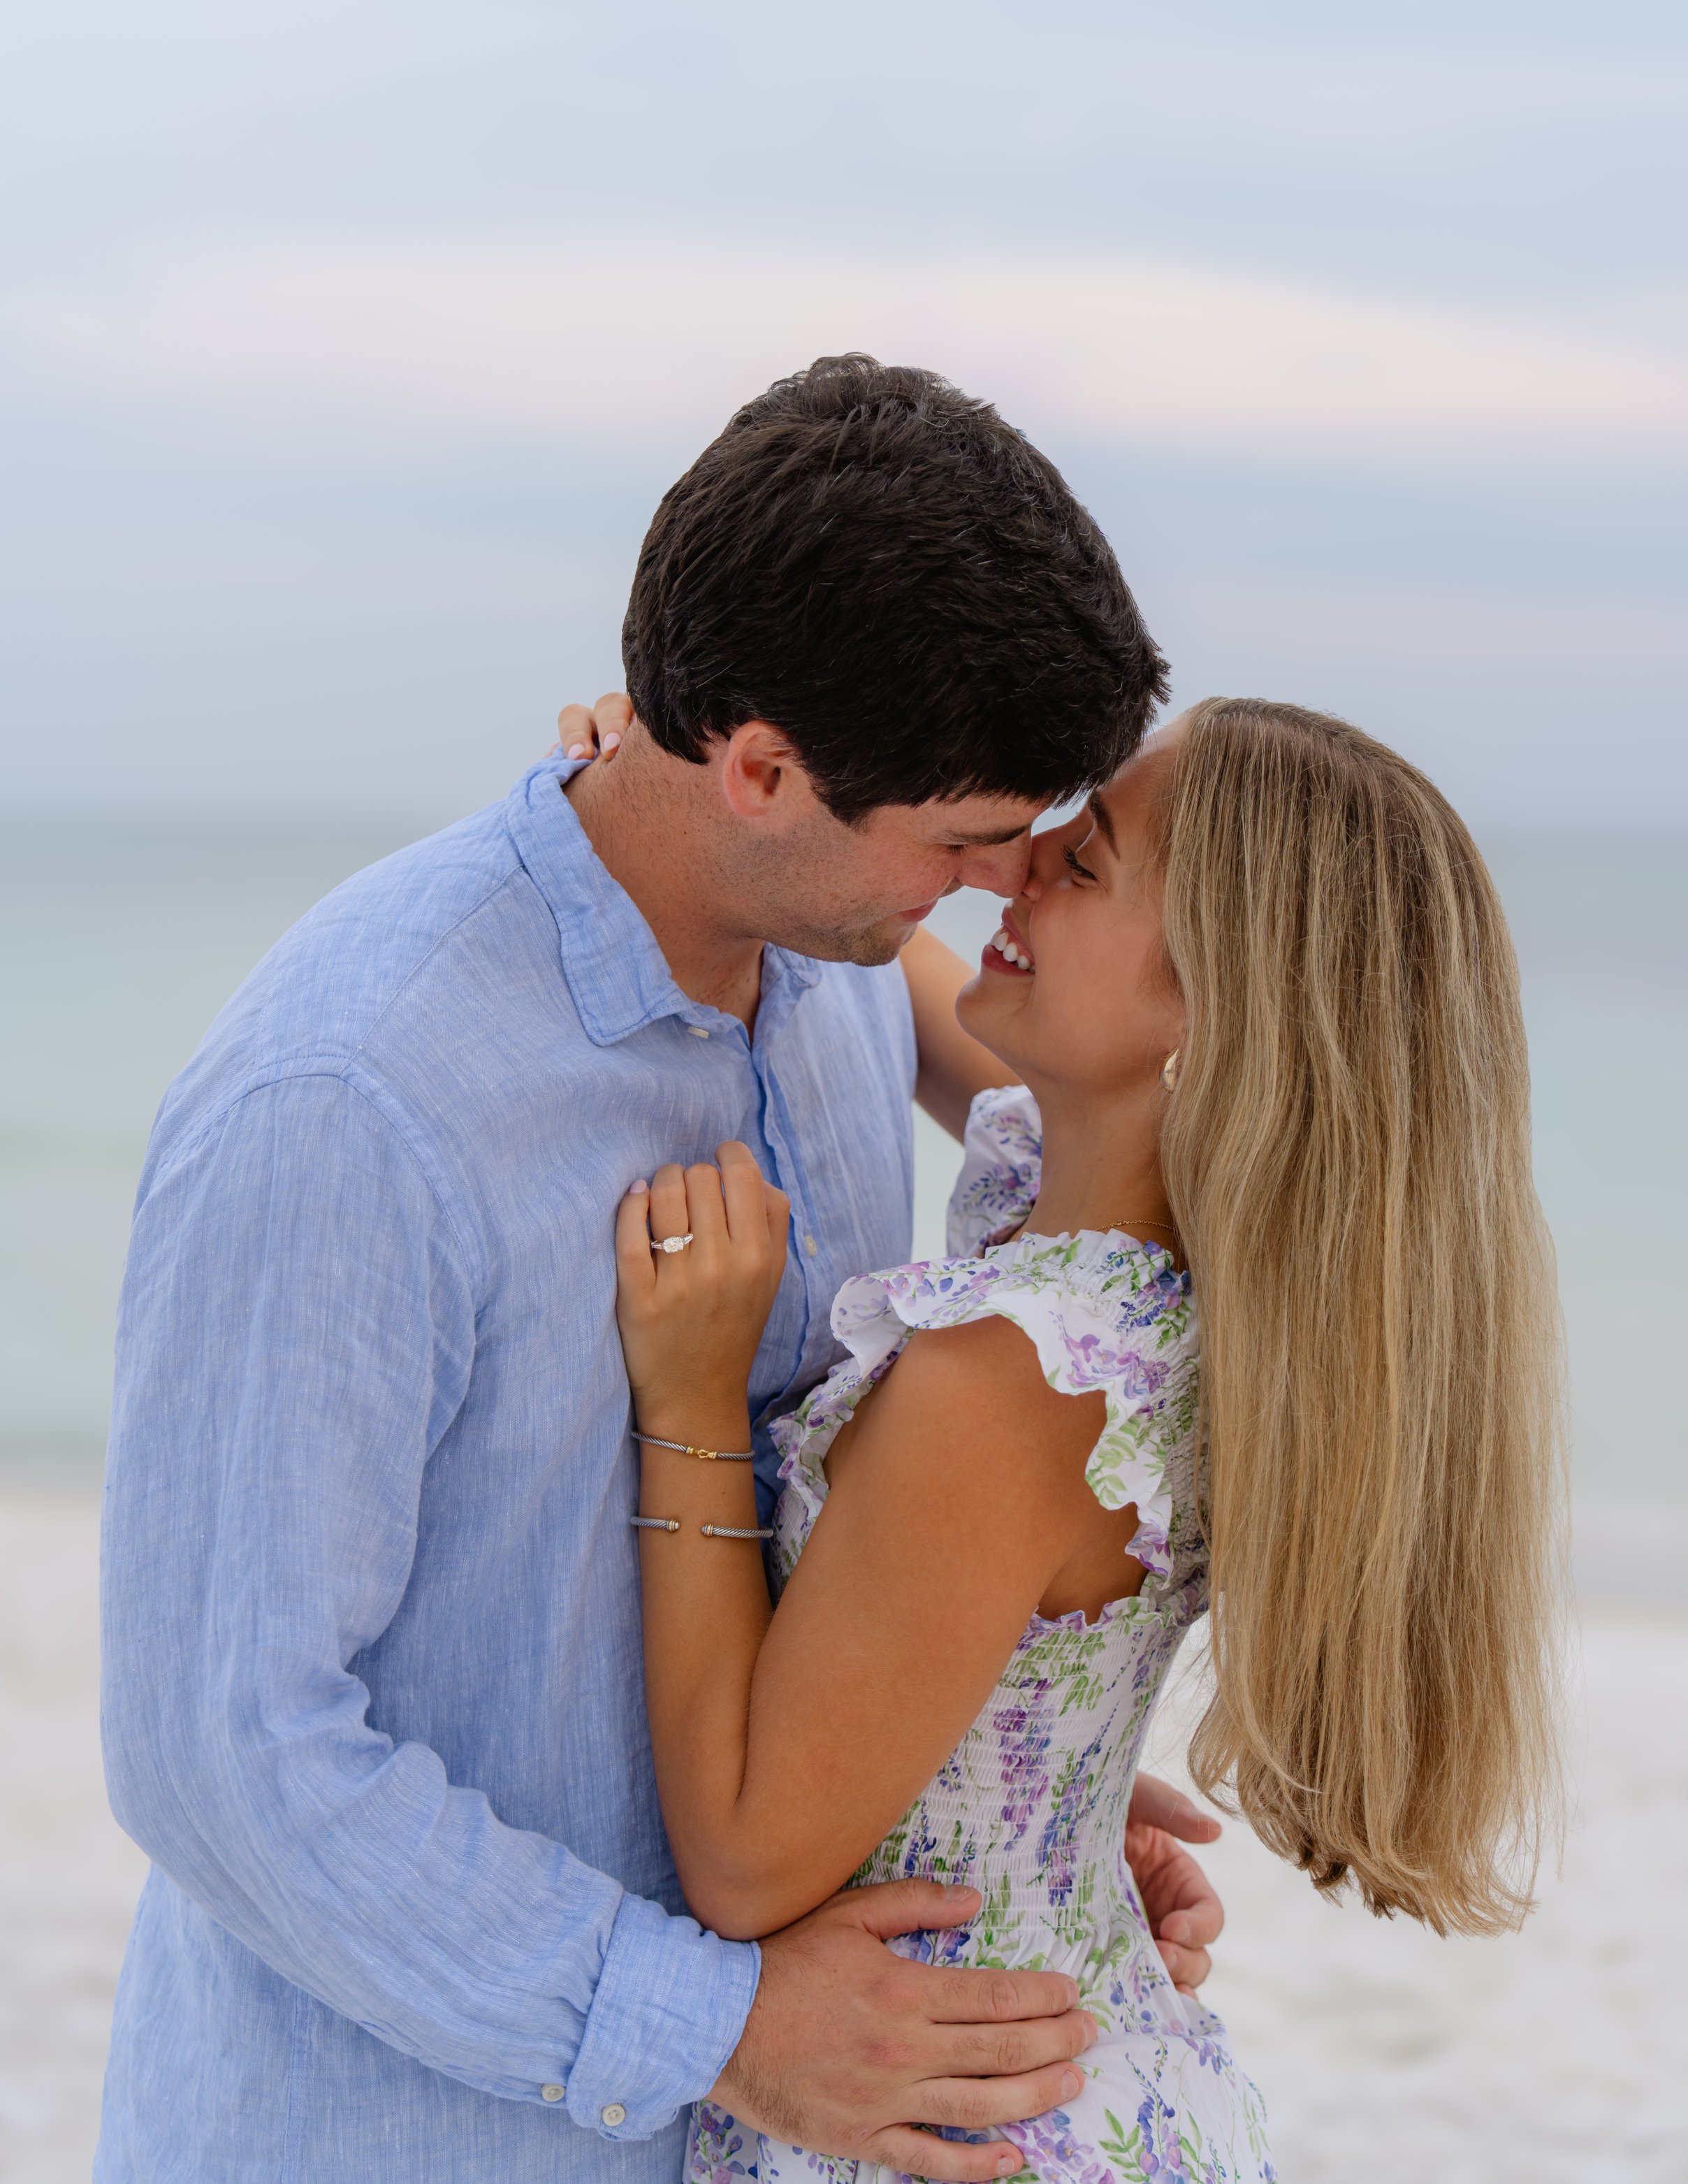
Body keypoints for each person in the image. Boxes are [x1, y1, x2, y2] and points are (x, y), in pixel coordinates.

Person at [96, 355, 1223, 2183]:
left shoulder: (842, 977)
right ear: (763, 768)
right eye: (960, 842)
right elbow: (227, 1755)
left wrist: (999, 1775)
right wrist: (719, 2028)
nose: (993, 890)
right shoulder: (352, 1090)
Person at [610, 697, 1566, 2184]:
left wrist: (685, 1404)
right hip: (1085, 2073)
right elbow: (864, 936)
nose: (1024, 861)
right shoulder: (1187, 1271)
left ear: (1210, 1014)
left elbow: (741, 1856)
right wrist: (698, 800)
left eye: (1090, 859)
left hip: (950, 2121)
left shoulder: (1011, 1377)